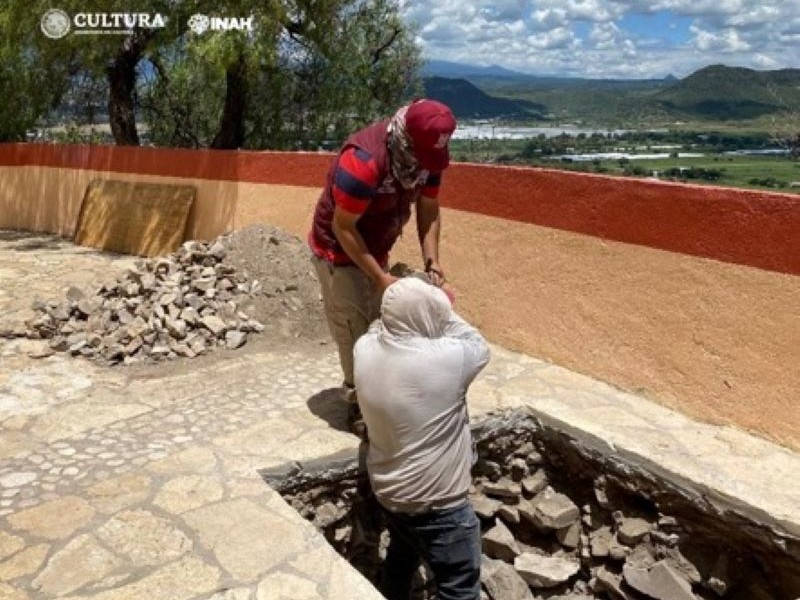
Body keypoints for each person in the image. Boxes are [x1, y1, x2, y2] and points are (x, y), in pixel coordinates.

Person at [308, 99, 457, 419]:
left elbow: (429, 207)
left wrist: (432, 260)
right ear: (407, 140)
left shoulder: (426, 158)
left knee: (382, 324)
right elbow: (343, 227)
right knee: (356, 330)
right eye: (424, 157)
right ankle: (359, 407)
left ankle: (381, 394)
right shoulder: (363, 162)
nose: (427, 166)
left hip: (376, 243)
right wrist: (380, 278)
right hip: (338, 247)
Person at [353, 277, 490, 600]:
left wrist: (408, 300)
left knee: (401, 561)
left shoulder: (364, 349)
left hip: (389, 493)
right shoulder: (446, 359)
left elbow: (379, 325)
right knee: (459, 590)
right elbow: (477, 342)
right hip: (440, 507)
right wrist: (443, 303)